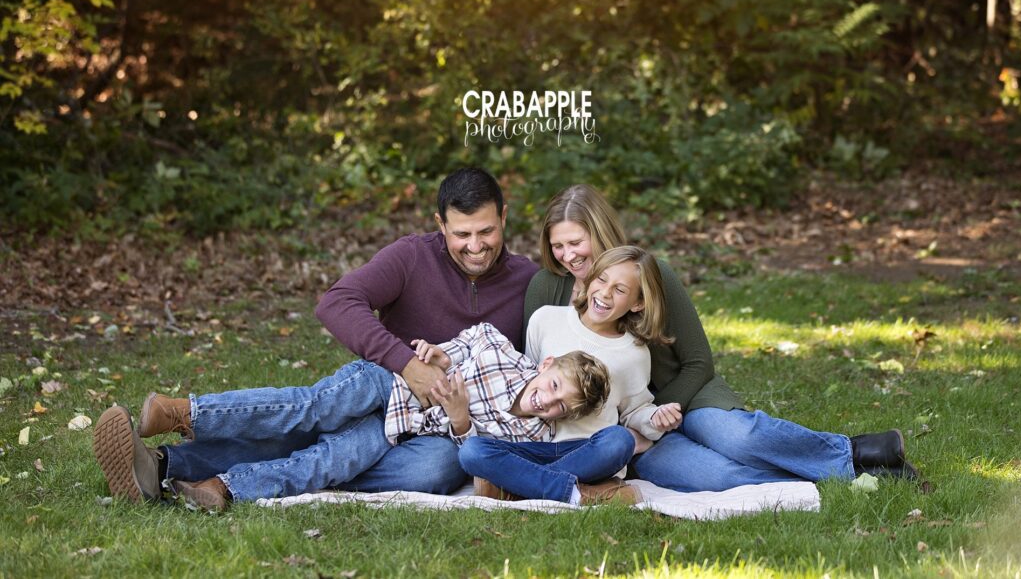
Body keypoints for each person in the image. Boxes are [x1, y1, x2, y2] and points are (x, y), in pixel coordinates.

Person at [90, 167, 539, 502]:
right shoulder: (412, 256)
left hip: (435, 429)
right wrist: (406, 363)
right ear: (440, 224)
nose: (476, 246)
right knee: (320, 418)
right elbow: (337, 303)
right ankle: (183, 420)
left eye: (487, 231)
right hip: (380, 387)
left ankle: (166, 466)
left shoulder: (528, 281)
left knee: (434, 470)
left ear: (504, 216)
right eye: (462, 234)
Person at [522, 184, 918, 493]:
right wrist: (633, 432)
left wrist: (656, 418)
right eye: (558, 246)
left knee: (734, 436)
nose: (568, 256)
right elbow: (530, 371)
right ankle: (853, 478)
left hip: (685, 397)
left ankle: (856, 452)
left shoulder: (651, 275)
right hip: (622, 431)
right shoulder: (546, 292)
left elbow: (697, 361)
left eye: (576, 243)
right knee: (715, 474)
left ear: (602, 233)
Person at [93, 323, 611, 509]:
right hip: (387, 383)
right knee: (306, 408)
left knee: (329, 462)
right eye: (554, 387)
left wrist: (460, 418)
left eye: (563, 407)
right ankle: (183, 410)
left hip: (396, 430)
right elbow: (460, 346)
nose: (549, 401)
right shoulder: (502, 347)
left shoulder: (530, 430)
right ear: (546, 366)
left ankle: (216, 483)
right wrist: (436, 354)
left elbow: (476, 453)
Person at [460, 247, 683, 504]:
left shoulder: (634, 353)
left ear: (638, 303)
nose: (605, 293)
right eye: (601, 279)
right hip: (530, 444)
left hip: (584, 451)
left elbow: (635, 410)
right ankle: (581, 494)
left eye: (620, 290)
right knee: (473, 451)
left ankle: (518, 487)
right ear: (590, 279)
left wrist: (655, 419)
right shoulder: (545, 319)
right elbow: (528, 377)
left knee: (619, 441)